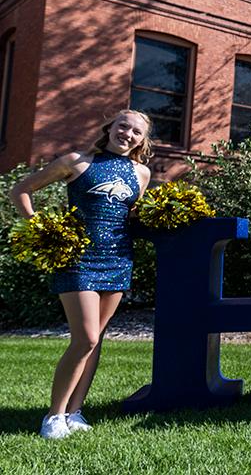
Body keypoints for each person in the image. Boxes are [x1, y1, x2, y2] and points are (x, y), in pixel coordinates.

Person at [10, 110, 153, 439]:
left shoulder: (141, 173)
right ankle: (53, 416)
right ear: (110, 128)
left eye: (135, 132)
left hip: (118, 260)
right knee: (85, 338)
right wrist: (40, 229)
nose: (127, 134)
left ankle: (75, 412)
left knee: (96, 339)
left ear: (142, 140)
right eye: (123, 126)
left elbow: (129, 215)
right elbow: (20, 190)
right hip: (77, 259)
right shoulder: (77, 161)